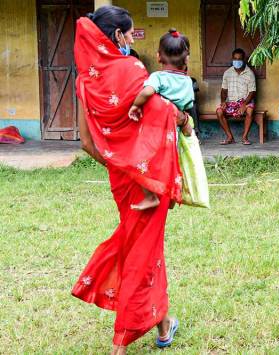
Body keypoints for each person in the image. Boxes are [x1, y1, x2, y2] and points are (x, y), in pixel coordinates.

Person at [72, 6, 182, 354]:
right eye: (131, 33)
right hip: (148, 179)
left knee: (146, 249)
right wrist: (183, 119)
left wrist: (119, 164)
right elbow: (163, 113)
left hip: (121, 180)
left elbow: (87, 142)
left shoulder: (83, 80)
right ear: (119, 36)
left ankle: (163, 325)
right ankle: (121, 341)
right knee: (142, 255)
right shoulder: (133, 68)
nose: (131, 39)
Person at [128, 28, 194, 211]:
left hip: (155, 131)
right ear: (185, 59)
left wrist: (136, 105)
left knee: (139, 160)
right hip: (174, 133)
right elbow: (188, 104)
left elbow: (148, 91)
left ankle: (150, 197)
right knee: (171, 163)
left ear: (158, 57)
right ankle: (172, 196)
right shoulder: (187, 82)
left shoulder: (158, 77)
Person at [217, 48, 257, 145]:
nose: (237, 61)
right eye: (235, 59)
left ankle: (244, 137)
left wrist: (244, 104)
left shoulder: (250, 73)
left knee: (250, 110)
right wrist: (223, 101)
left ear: (243, 60)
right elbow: (224, 90)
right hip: (231, 102)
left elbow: (252, 92)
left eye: (239, 59)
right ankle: (230, 137)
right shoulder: (227, 73)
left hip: (245, 102)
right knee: (219, 111)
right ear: (232, 59)